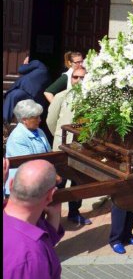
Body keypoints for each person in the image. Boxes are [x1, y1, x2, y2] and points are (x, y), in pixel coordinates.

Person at [3, 159, 65, 279]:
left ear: (11, 184)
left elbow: (39, 240)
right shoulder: (29, 259)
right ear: (50, 196)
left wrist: (54, 216)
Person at [45, 66, 92, 226]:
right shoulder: (61, 96)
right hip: (62, 145)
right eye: (75, 77)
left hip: (82, 147)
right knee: (59, 181)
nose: (79, 81)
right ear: (71, 79)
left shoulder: (92, 99)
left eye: (82, 78)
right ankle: (52, 216)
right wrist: (59, 135)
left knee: (78, 180)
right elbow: (51, 121)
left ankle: (74, 212)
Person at [4, 100, 52, 196]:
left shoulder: (39, 131)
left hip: (39, 183)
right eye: (36, 117)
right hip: (23, 189)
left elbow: (49, 153)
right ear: (24, 119)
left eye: (39, 116)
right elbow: (27, 165)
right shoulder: (17, 137)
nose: (40, 120)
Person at [2, 57, 50, 128]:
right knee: (24, 114)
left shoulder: (38, 63)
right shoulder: (46, 75)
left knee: (12, 95)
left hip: (25, 91)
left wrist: (25, 64)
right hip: (35, 99)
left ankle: (4, 124)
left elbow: (21, 69)